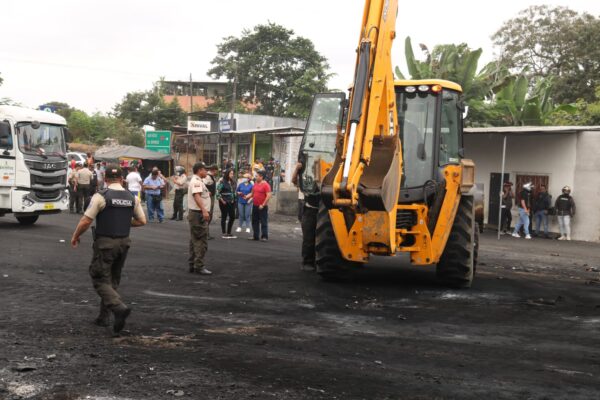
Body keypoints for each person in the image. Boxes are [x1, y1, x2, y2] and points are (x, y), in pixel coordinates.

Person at [70, 164, 146, 334]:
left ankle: (118, 308)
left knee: (99, 278)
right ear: (121, 179)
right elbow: (142, 221)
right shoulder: (132, 198)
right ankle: (104, 317)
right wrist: (124, 223)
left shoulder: (100, 196)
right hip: (124, 243)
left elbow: (86, 220)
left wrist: (76, 236)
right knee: (112, 280)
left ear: (105, 179)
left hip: (105, 243)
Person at [292, 161, 319, 271]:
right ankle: (307, 262)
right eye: (315, 169)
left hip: (325, 212)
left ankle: (318, 261)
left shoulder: (327, 181)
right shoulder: (307, 180)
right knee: (309, 239)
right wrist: (297, 169)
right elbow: (294, 181)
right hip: (310, 210)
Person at [188, 162, 212, 275]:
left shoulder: (198, 181)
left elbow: (200, 194)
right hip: (198, 214)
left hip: (196, 214)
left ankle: (192, 265)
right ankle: (199, 266)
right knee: (201, 241)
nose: (206, 172)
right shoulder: (196, 181)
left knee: (194, 240)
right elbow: (196, 196)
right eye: (205, 170)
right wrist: (204, 210)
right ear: (199, 170)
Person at [245, 170, 272, 241]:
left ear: (261, 177)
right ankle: (255, 236)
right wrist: (246, 196)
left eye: (257, 176)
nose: (255, 177)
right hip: (255, 205)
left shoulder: (266, 185)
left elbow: (268, 196)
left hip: (262, 206)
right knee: (254, 221)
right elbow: (252, 193)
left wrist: (263, 205)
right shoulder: (255, 184)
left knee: (263, 221)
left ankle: (264, 236)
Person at [216, 169, 237, 238]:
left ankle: (229, 232)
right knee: (224, 216)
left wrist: (236, 196)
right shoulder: (222, 182)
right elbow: (217, 192)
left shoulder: (233, 182)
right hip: (224, 202)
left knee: (232, 216)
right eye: (231, 173)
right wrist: (222, 200)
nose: (232, 175)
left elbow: (234, 191)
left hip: (232, 202)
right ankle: (224, 232)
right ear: (227, 174)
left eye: (232, 174)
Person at [203, 165, 218, 239]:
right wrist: (207, 191)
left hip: (211, 197)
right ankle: (205, 234)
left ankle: (206, 233)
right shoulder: (208, 177)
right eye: (217, 170)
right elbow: (203, 184)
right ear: (214, 170)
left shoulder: (212, 176)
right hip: (208, 198)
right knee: (208, 214)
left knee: (210, 214)